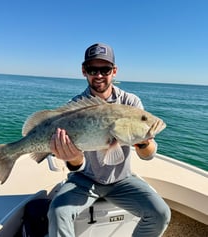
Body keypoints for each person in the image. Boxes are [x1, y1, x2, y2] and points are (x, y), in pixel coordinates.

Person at [48, 43, 171, 237]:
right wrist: (72, 158)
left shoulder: (131, 102)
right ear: (83, 71)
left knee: (161, 213)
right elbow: (76, 166)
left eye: (104, 69)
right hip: (84, 180)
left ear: (114, 71)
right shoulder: (74, 107)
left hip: (122, 180)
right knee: (57, 212)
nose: (98, 75)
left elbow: (148, 155)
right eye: (92, 69)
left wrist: (144, 141)